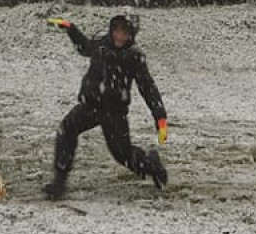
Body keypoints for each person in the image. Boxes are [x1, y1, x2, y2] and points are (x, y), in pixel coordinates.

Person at [44, 12, 169, 199]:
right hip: (90, 105)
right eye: (117, 31)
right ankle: (59, 182)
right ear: (111, 30)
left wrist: (160, 117)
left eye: (125, 33)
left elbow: (148, 87)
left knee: (122, 155)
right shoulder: (101, 45)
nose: (119, 36)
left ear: (131, 35)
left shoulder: (134, 57)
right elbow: (84, 47)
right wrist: (70, 28)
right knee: (66, 129)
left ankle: (151, 164)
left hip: (114, 113)